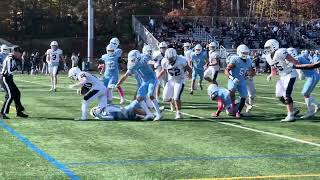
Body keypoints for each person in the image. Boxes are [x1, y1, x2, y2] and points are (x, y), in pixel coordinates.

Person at [116, 49, 161, 121]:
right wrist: (119, 83)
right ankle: (149, 114)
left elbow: (152, 59)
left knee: (150, 95)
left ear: (137, 57)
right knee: (139, 98)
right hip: (144, 81)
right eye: (132, 60)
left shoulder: (144, 58)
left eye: (133, 59)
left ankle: (158, 114)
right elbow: (126, 75)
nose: (132, 61)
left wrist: (155, 62)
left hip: (152, 79)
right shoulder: (132, 65)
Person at [264, 39, 299, 122]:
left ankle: (290, 115)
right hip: (282, 76)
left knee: (287, 94)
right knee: (279, 95)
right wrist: (271, 75)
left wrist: (300, 70)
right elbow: (273, 68)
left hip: (290, 73)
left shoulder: (280, 51)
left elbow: (294, 61)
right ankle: (293, 109)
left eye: (268, 47)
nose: (267, 49)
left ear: (274, 46)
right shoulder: (268, 57)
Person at [157, 48, 192, 119]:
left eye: (171, 58)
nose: (170, 60)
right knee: (165, 98)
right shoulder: (164, 61)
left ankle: (179, 113)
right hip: (171, 81)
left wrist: (190, 75)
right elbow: (163, 70)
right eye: (168, 59)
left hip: (180, 80)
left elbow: (189, 69)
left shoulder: (181, 60)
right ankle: (172, 102)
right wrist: (157, 78)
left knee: (176, 97)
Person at [287, 48, 320, 118]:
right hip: (313, 75)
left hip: (312, 76)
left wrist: (300, 73)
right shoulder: (299, 57)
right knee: (306, 94)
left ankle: (312, 110)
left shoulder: (297, 58)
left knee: (305, 93)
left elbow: (300, 68)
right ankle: (315, 107)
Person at [225, 44, 255, 118]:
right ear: (239, 52)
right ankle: (232, 104)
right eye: (243, 53)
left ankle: (238, 112)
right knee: (231, 90)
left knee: (244, 96)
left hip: (242, 80)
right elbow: (226, 70)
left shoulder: (248, 60)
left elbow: (251, 72)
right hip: (234, 79)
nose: (245, 54)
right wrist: (232, 78)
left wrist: (250, 75)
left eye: (246, 53)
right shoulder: (235, 59)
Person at [0, 46, 28, 119]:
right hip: (5, 78)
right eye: (19, 53)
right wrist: (17, 68)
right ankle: (2, 113)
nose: (20, 54)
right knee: (9, 96)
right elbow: (9, 71)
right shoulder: (10, 58)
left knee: (17, 93)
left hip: (9, 78)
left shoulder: (13, 58)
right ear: (15, 52)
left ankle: (19, 112)